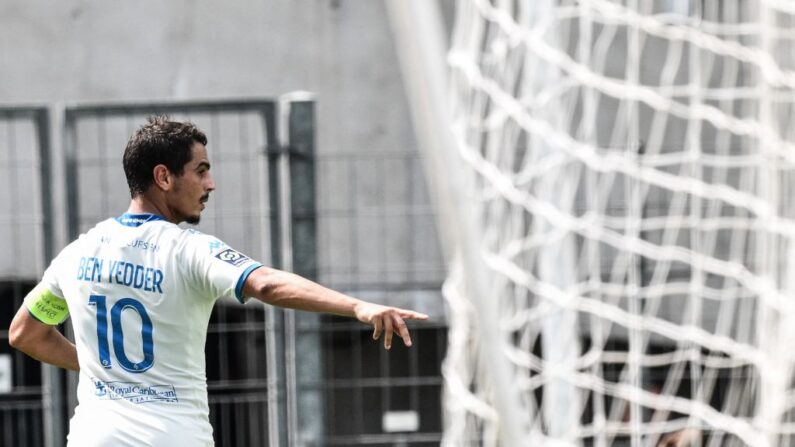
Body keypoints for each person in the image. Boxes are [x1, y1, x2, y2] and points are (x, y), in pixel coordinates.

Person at [8, 116, 429, 446]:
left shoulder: (78, 252)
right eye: (201, 170)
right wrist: (356, 306)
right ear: (163, 177)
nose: (211, 184)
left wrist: (103, 369)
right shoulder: (189, 250)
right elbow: (265, 284)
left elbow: (26, 333)